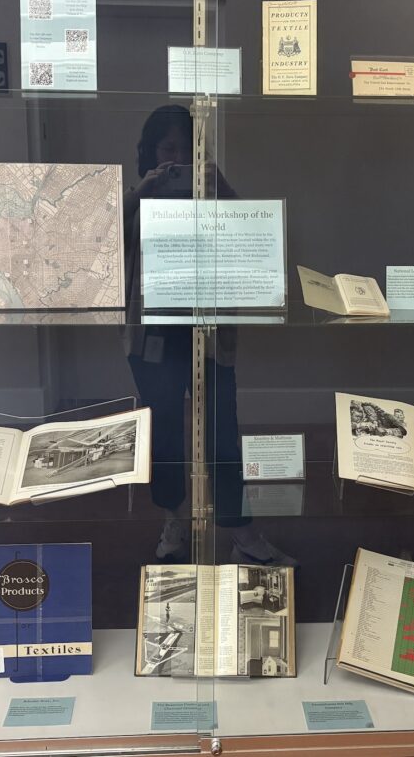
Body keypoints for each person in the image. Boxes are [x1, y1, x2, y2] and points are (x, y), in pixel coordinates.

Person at [125, 106, 295, 568]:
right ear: (150, 153)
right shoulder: (140, 197)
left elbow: (256, 237)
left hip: (211, 334)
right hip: (154, 335)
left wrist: (223, 190)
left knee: (221, 431)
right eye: (169, 149)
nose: (179, 159)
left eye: (189, 150)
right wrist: (142, 194)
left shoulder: (216, 194)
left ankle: (241, 531)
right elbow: (104, 242)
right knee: (164, 433)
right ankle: (174, 521)